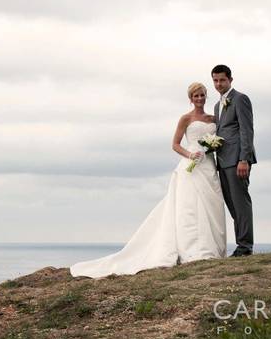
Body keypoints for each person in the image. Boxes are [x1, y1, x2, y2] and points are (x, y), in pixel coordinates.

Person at [70, 82, 226, 278]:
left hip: (209, 165)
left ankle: (211, 248)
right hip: (191, 166)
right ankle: (193, 250)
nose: (199, 99)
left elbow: (219, 139)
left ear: (206, 96)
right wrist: (189, 154)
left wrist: (212, 147)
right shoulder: (185, 118)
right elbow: (175, 144)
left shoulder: (214, 118)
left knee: (211, 206)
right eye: (196, 96)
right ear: (190, 98)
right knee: (190, 208)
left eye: (202, 95)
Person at [211, 64, 256, 256]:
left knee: (240, 202)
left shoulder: (240, 99)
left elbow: (247, 130)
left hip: (238, 160)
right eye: (215, 80)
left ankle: (245, 246)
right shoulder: (217, 105)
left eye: (222, 80)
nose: (219, 83)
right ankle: (241, 244)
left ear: (230, 79)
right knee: (231, 203)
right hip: (222, 161)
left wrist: (244, 159)